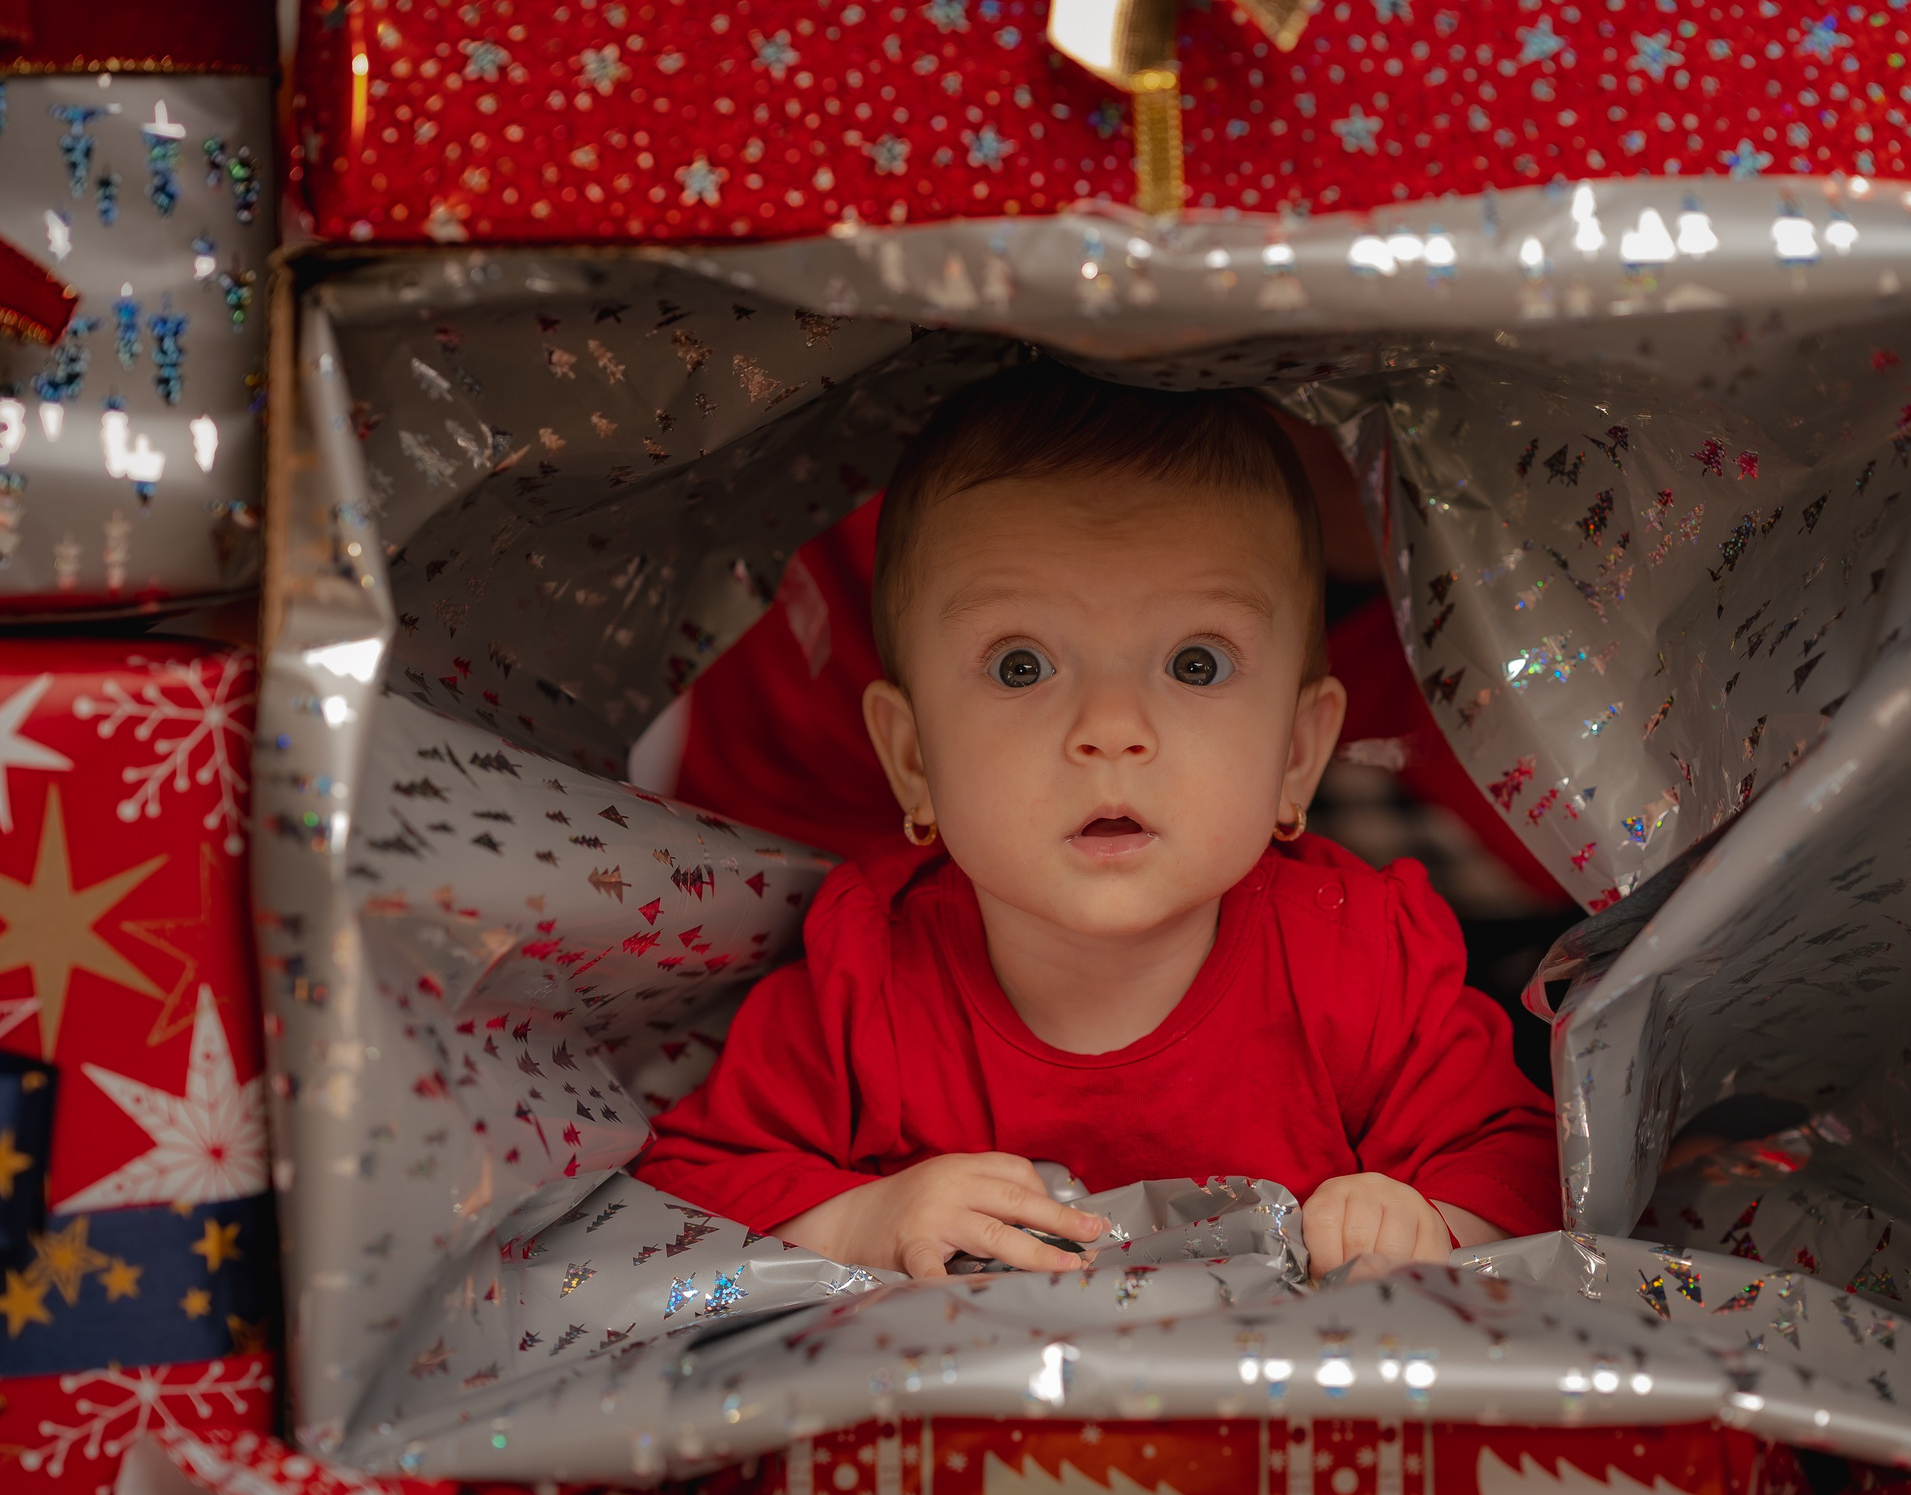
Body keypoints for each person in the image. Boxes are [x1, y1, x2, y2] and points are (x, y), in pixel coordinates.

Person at [637, 361, 1556, 1278]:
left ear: (1296, 757)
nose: (1111, 731)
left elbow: (1526, 1160)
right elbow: (684, 1192)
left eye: (1195, 664)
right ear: (913, 759)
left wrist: (1427, 1221)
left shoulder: (1362, 962)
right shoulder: (863, 978)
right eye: (1020, 666)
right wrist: (864, 1218)